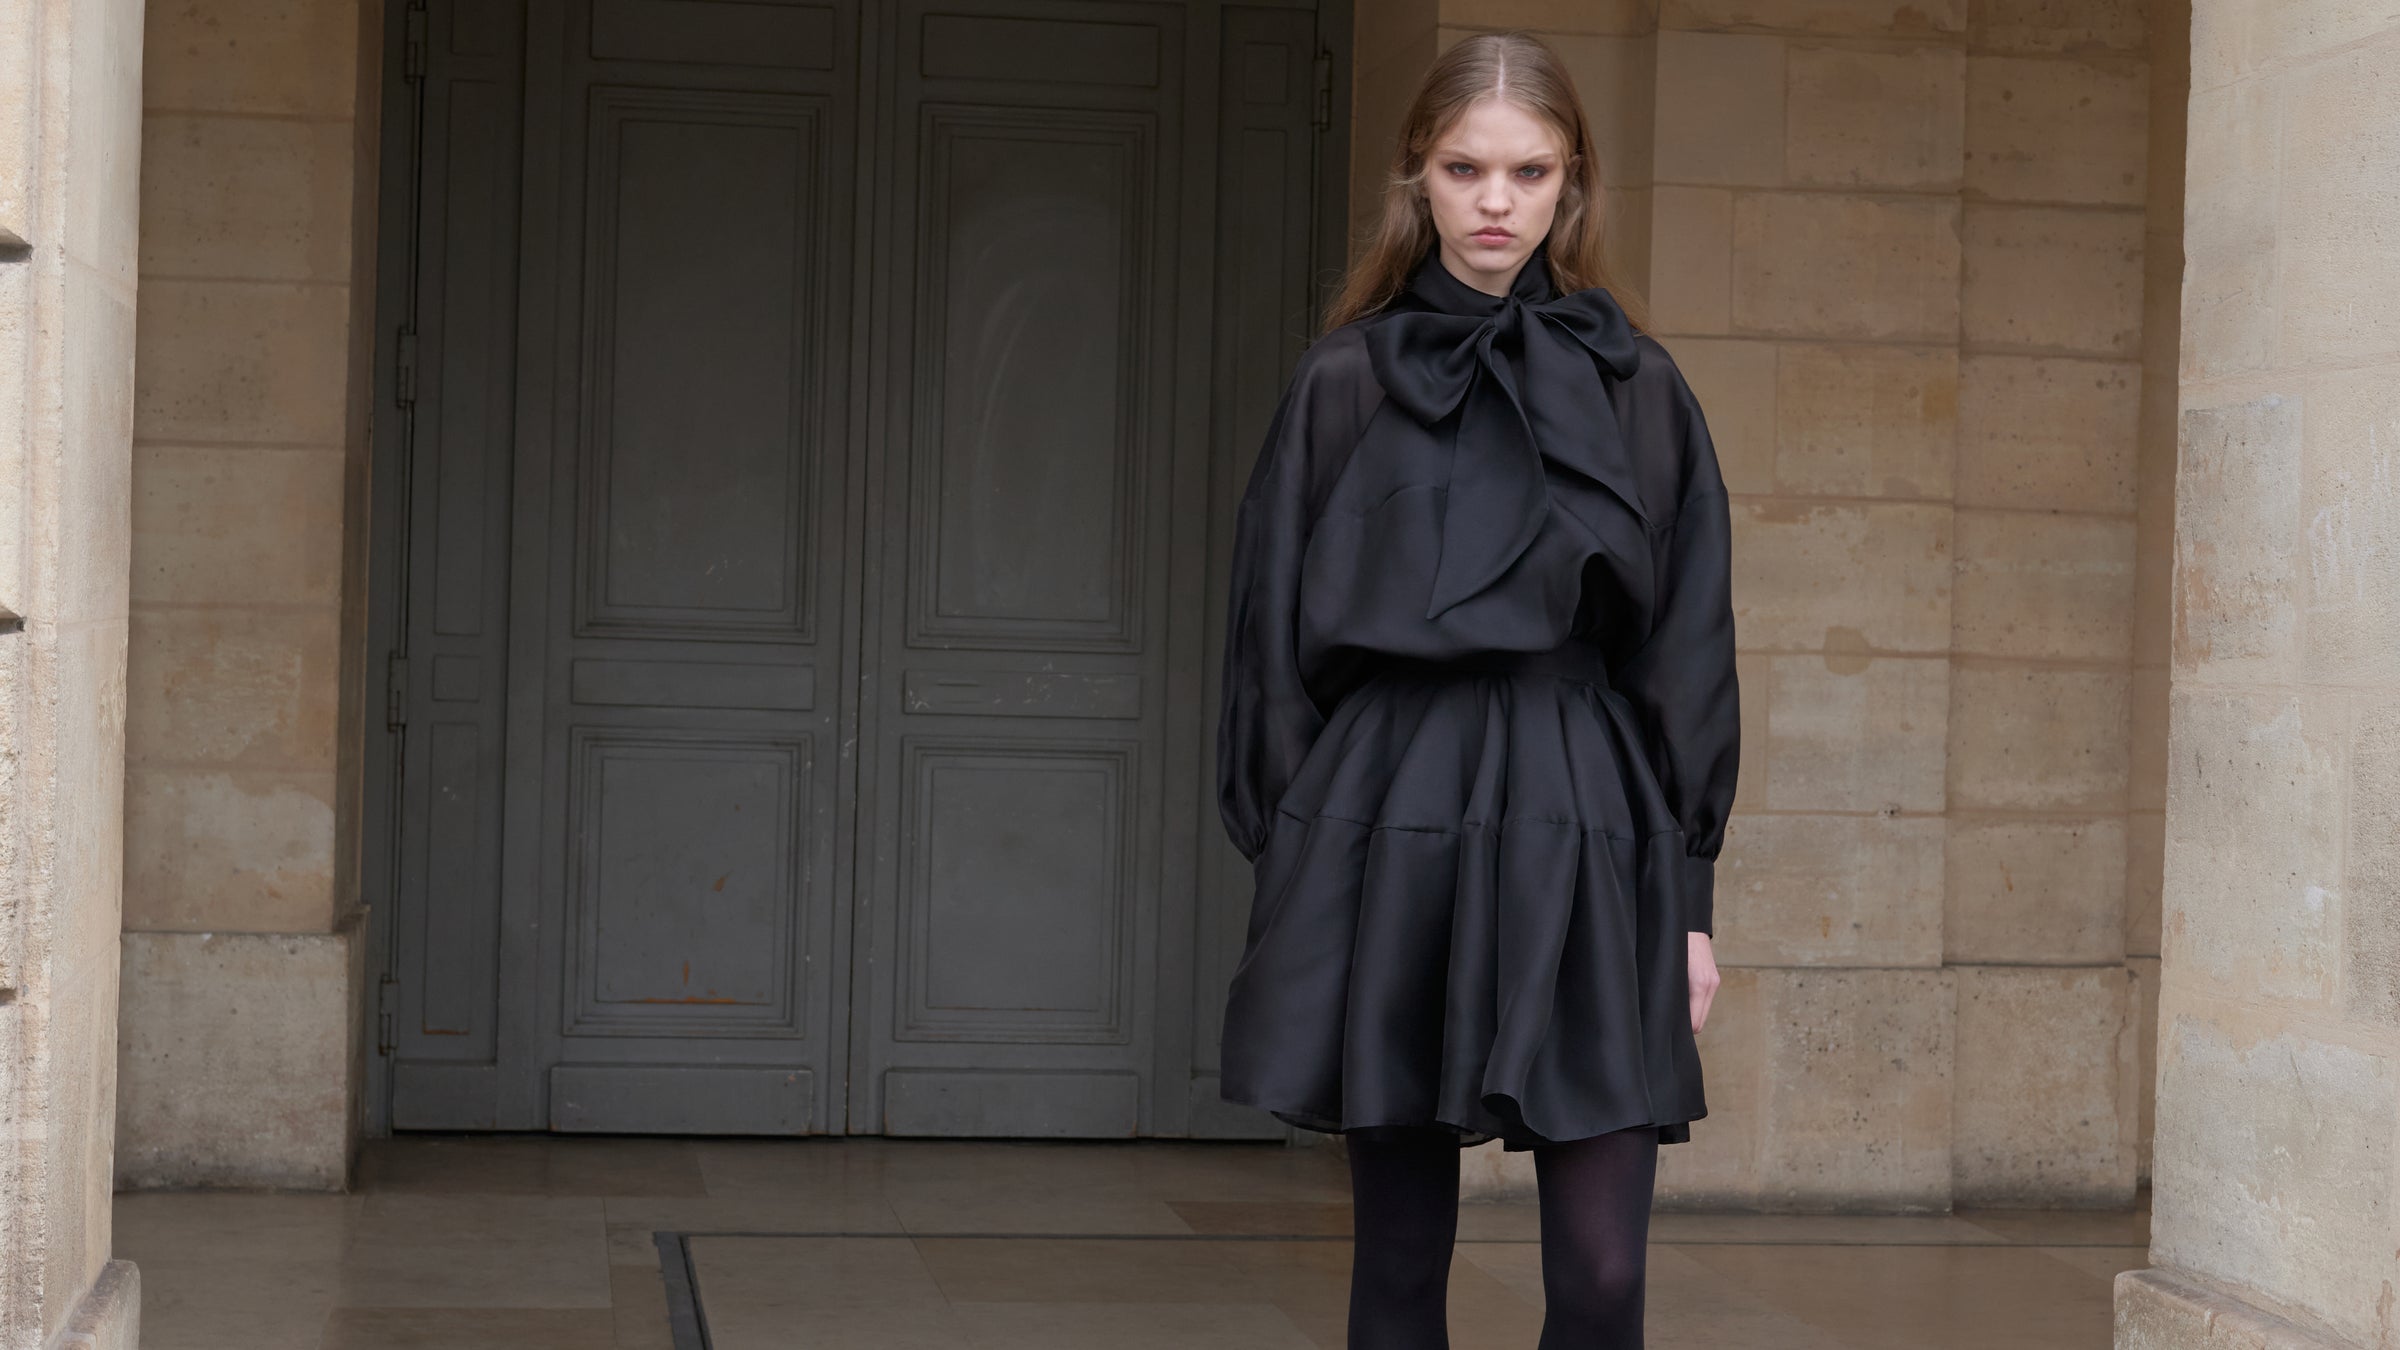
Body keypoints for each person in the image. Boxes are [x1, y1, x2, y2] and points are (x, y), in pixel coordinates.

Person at [1213, 29, 1739, 1350]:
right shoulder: (1342, 382)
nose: (1496, 199)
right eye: (1465, 167)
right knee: (1395, 1268)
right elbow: (1269, 647)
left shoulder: (1647, 395)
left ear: (1574, 184)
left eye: (1529, 168)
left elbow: (1685, 653)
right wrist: (1293, 864)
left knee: (1607, 1273)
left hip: (1588, 811)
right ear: (1418, 179)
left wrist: (1689, 904)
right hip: (1388, 811)